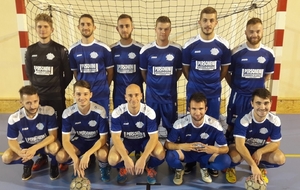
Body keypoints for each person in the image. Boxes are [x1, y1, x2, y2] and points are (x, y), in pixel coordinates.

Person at [182, 6, 231, 176]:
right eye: (205, 20)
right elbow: (186, 69)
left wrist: (213, 83)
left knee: (212, 125)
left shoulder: (223, 45)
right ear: (199, 22)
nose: (208, 23)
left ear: (216, 22)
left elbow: (224, 69)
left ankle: (208, 160)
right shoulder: (190, 45)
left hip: (213, 93)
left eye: (211, 20)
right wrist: (196, 83)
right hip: (194, 91)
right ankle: (190, 161)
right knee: (192, 124)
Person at [25, 13, 73, 171]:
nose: (42, 29)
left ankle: (59, 157)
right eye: (39, 27)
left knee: (57, 126)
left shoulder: (60, 50)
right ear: (36, 29)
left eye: (45, 27)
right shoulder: (30, 51)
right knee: (40, 128)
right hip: (38, 98)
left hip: (56, 97)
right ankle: (42, 156)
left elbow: (68, 74)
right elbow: (31, 75)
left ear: (51, 29)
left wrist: (58, 88)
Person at [225, 17, 275, 144]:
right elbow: (227, 73)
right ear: (246, 32)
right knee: (232, 125)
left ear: (262, 31)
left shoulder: (268, 54)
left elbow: (267, 75)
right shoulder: (236, 52)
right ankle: (230, 150)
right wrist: (236, 87)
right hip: (239, 96)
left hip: (257, 99)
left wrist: (256, 88)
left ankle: (252, 148)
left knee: (254, 124)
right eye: (251, 31)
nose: (254, 34)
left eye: (258, 31)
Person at [165, 92, 231, 185]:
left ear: (206, 109)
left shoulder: (214, 124)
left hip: (205, 154)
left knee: (226, 160)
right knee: (170, 156)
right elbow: (167, 144)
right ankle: (180, 169)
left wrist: (214, 149)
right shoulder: (180, 123)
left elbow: (225, 149)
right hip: (187, 153)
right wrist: (182, 146)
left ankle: (205, 167)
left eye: (200, 109)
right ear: (189, 109)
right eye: (194, 109)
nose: (197, 113)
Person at [225, 88, 285, 184]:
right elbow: (240, 145)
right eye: (258, 103)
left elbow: (276, 143)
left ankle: (260, 166)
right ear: (252, 103)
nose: (262, 107)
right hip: (241, 148)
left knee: (280, 158)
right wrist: (253, 165)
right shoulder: (244, 119)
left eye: (266, 103)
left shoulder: (274, 120)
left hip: (258, 148)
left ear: (271, 103)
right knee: (235, 157)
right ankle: (231, 168)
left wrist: (260, 151)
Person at [108, 84, 165, 184]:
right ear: (125, 97)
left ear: (141, 96)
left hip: (145, 141)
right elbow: (116, 138)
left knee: (160, 154)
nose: (133, 98)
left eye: (136, 95)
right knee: (112, 160)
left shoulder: (149, 112)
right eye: (130, 95)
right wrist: (125, 158)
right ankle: (123, 168)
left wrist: (143, 158)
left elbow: (154, 138)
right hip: (127, 142)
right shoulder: (117, 113)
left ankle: (149, 166)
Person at [1, 85, 60, 180]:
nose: (33, 106)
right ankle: (28, 163)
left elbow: (53, 136)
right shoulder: (14, 118)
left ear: (38, 99)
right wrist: (20, 152)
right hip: (27, 145)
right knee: (6, 157)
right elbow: (12, 140)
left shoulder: (48, 111)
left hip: (45, 144)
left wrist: (34, 148)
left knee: (54, 147)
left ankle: (54, 164)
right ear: (21, 102)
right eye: (28, 103)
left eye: (35, 101)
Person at [55, 80, 110, 181]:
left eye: (85, 94)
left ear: (90, 95)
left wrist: (88, 154)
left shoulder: (100, 111)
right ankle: (77, 164)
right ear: (74, 95)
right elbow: (65, 141)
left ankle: (103, 167)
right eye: (78, 94)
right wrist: (75, 159)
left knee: (103, 155)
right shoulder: (68, 113)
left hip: (96, 141)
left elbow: (103, 138)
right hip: (80, 141)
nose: (82, 98)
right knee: (60, 157)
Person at [140, 16, 182, 134]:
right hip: (152, 98)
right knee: (151, 128)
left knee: (172, 128)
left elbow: (179, 71)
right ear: (155, 29)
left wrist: (170, 81)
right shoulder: (146, 50)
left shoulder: (177, 49)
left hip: (169, 97)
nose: (163, 32)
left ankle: (170, 150)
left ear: (170, 30)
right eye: (160, 29)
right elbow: (143, 72)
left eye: (166, 29)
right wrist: (152, 83)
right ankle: (151, 150)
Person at [69, 14, 113, 115]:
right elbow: (75, 73)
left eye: (88, 24)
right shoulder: (73, 50)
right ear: (78, 27)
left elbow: (110, 72)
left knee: (103, 123)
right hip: (83, 97)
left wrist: (104, 86)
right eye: (82, 24)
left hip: (101, 93)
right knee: (86, 124)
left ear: (94, 27)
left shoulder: (104, 48)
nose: (85, 27)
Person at [111, 14, 144, 109]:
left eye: (127, 26)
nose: (124, 29)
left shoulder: (141, 49)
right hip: (119, 93)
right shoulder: (112, 49)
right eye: (121, 26)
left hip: (136, 94)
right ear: (117, 29)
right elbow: (110, 72)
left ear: (132, 28)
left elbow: (144, 73)